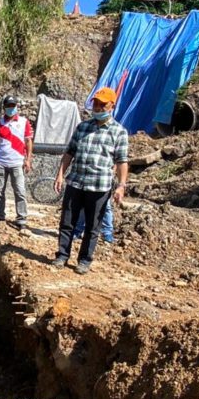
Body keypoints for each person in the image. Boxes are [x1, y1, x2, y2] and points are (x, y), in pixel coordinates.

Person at [52, 87, 128, 273]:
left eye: (102, 104)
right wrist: (60, 174)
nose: (98, 107)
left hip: (99, 186)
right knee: (67, 221)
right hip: (76, 182)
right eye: (96, 103)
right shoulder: (83, 127)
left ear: (112, 105)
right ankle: (62, 255)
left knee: (93, 226)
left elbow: (121, 161)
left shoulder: (119, 132)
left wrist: (121, 185)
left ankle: (84, 260)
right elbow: (69, 152)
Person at [0, 95, 34, 228]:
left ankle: (21, 219)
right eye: (8, 106)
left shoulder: (24, 122)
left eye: (13, 106)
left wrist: (28, 160)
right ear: (4, 108)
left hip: (17, 162)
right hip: (1, 162)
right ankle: (0, 216)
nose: (11, 108)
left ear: (16, 106)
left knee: (20, 191)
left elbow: (28, 141)